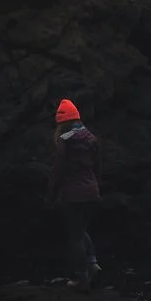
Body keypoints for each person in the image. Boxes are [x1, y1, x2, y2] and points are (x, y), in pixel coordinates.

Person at [45, 98, 101, 289]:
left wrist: (51, 194)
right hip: (92, 191)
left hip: (73, 194)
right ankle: (92, 264)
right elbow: (97, 166)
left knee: (75, 236)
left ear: (61, 122)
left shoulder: (64, 141)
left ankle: (82, 279)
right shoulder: (91, 138)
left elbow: (58, 170)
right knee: (81, 230)